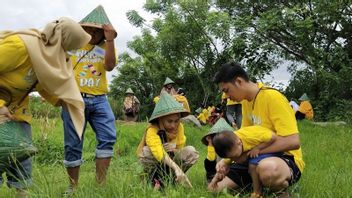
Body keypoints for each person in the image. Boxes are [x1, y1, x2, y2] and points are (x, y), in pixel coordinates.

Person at [0, 17, 90, 198]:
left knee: (21, 160)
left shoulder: (45, 57)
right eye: (68, 49)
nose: (69, 55)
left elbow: (41, 82)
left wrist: (63, 100)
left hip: (18, 114)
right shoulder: (20, 47)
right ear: (59, 42)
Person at [212, 61, 304, 196]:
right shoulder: (246, 102)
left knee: (268, 170)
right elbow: (242, 139)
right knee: (215, 189)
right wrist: (227, 161)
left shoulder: (273, 97)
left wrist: (256, 152)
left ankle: (279, 191)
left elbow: (293, 142)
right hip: (253, 159)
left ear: (239, 81)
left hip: (285, 158)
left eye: (226, 90)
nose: (226, 96)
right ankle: (254, 183)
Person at [61, 5, 118, 193]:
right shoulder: (73, 45)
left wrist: (110, 40)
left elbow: (109, 66)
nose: (92, 33)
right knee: (73, 143)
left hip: (100, 99)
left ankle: (100, 185)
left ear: (104, 33)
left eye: (97, 30)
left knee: (108, 137)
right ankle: (73, 187)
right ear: (82, 29)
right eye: (89, 29)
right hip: (75, 99)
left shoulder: (104, 47)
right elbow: (58, 65)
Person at [136, 93, 199, 189]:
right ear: (160, 119)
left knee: (191, 151)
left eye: (176, 121)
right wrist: (177, 168)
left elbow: (180, 148)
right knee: (146, 152)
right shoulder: (152, 130)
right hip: (157, 160)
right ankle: (149, 179)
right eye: (169, 121)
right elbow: (159, 152)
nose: (173, 125)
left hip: (172, 160)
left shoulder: (180, 127)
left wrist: (174, 149)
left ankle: (174, 178)